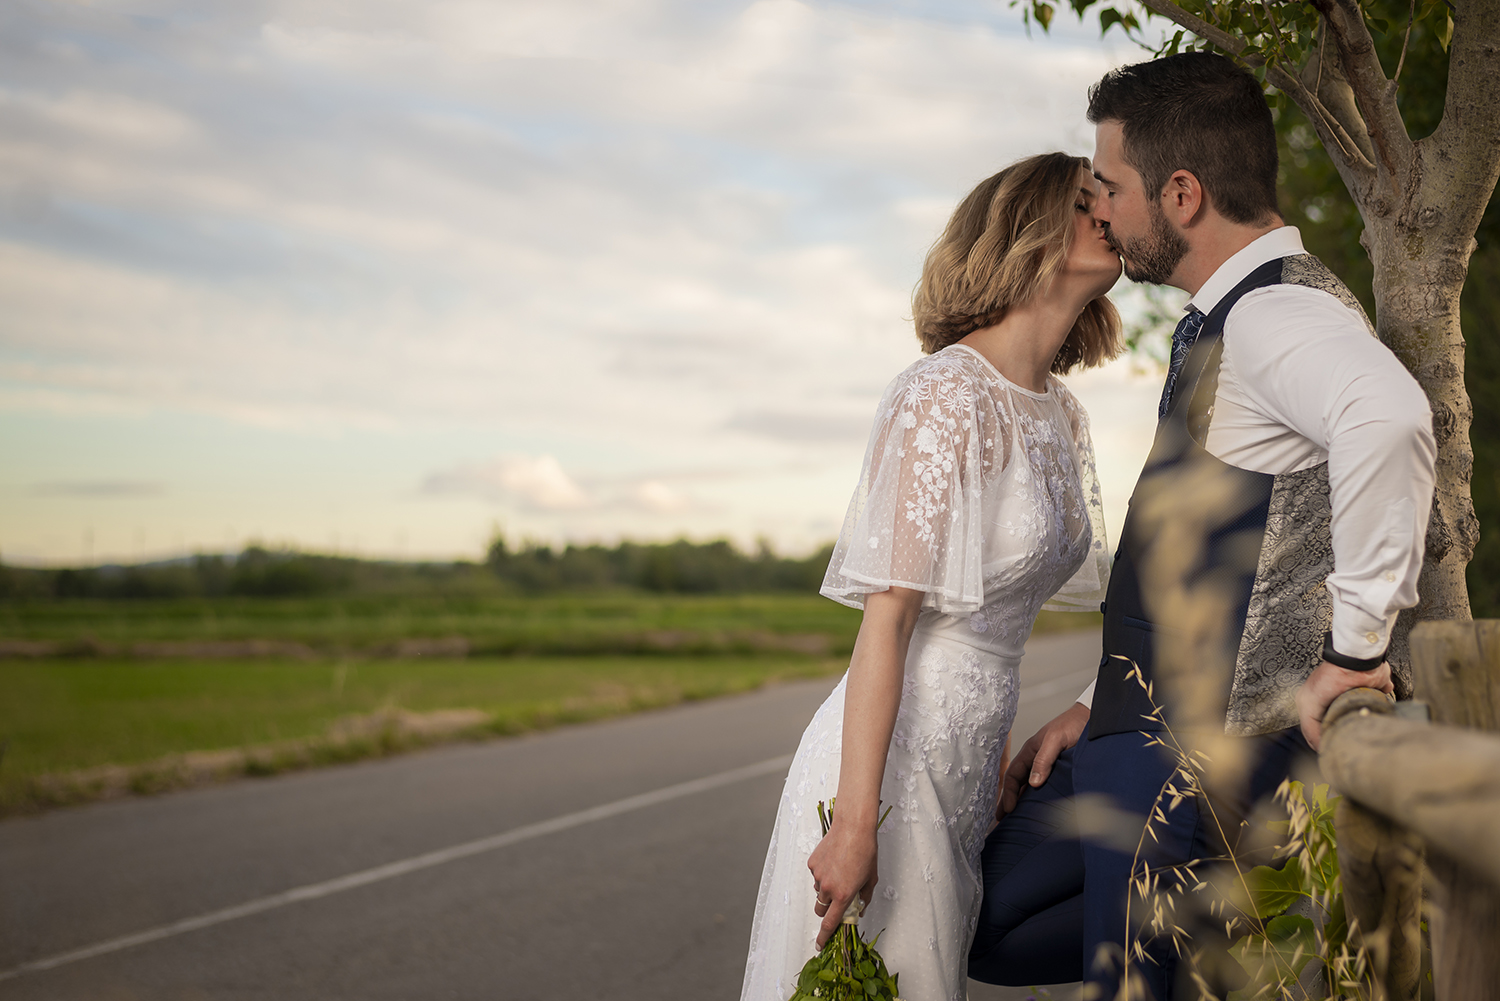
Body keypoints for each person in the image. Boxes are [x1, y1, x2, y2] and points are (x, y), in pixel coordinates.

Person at [967, 52, 1437, 1000]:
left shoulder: (1275, 316)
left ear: (1181, 195)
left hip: (1194, 769)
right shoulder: (1230, 319)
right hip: (1136, 731)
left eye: (1111, 186)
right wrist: (1100, 710)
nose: (1100, 208)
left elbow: (1391, 420)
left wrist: (1355, 647)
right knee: (986, 913)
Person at [739, 152, 1123, 1001]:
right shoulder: (943, 394)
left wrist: (998, 742)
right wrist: (852, 820)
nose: (1109, 213)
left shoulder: (1064, 412)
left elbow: (996, 618)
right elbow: (890, 622)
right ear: (1029, 230)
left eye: (1109, 199)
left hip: (970, 751)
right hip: (890, 759)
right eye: (1086, 201)